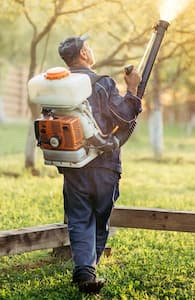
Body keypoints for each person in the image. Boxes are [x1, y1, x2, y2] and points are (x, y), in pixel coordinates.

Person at [57, 34, 142, 294]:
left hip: (74, 165)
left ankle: (85, 270)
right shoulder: (102, 83)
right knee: (100, 219)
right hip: (105, 165)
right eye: (89, 47)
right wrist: (133, 90)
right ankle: (88, 270)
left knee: (79, 218)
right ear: (83, 53)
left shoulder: (59, 85)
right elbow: (125, 117)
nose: (91, 50)